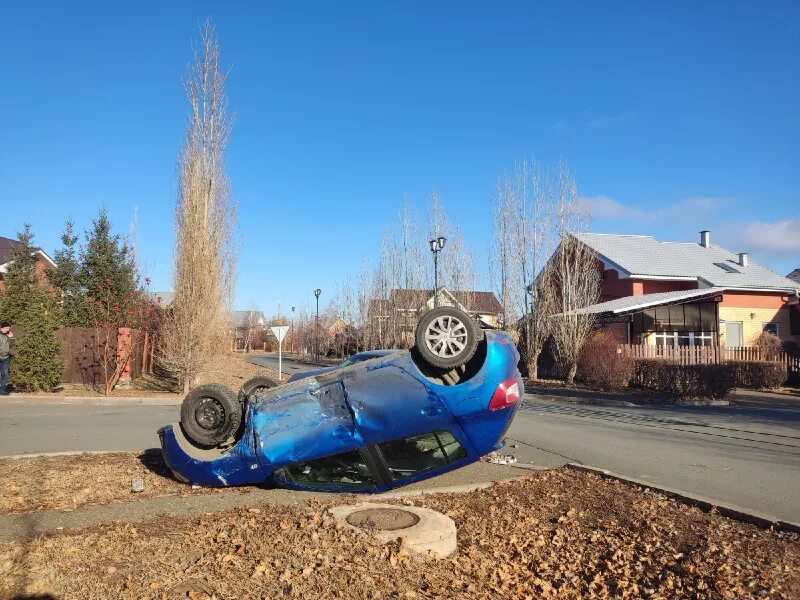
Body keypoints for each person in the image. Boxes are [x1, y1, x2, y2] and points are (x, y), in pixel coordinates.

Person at [0, 322, 14, 396]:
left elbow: (10, 346)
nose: (8, 330)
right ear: (1, 328)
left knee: (5, 374)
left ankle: (2, 390)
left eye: (9, 328)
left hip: (5, 357)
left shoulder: (7, 335)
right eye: (6, 328)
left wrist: (11, 338)